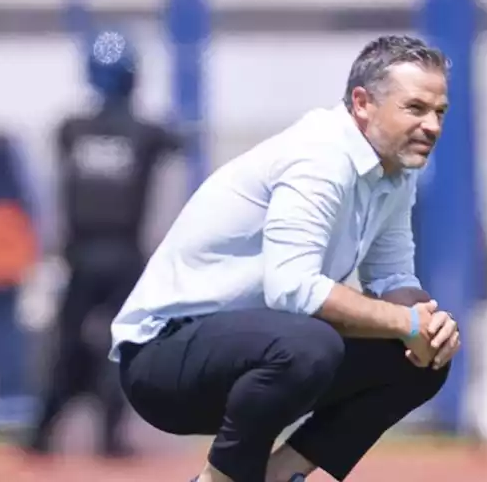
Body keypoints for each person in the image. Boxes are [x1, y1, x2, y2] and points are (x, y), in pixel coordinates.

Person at [110, 34, 462, 482]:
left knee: (423, 361)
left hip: (258, 356)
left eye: (440, 112)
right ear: (362, 103)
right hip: (163, 361)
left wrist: (427, 325)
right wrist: (405, 323)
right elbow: (291, 288)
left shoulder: (394, 169)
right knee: (311, 343)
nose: (432, 125)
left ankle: (279, 476)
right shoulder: (320, 156)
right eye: (415, 108)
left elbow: (392, 275)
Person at [23, 29, 182, 458]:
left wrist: (49, 248)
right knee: (120, 344)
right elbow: (172, 190)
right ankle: (106, 436)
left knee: (69, 342)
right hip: (124, 255)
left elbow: (53, 193)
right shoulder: (149, 134)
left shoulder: (73, 130)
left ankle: (42, 433)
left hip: (81, 255)